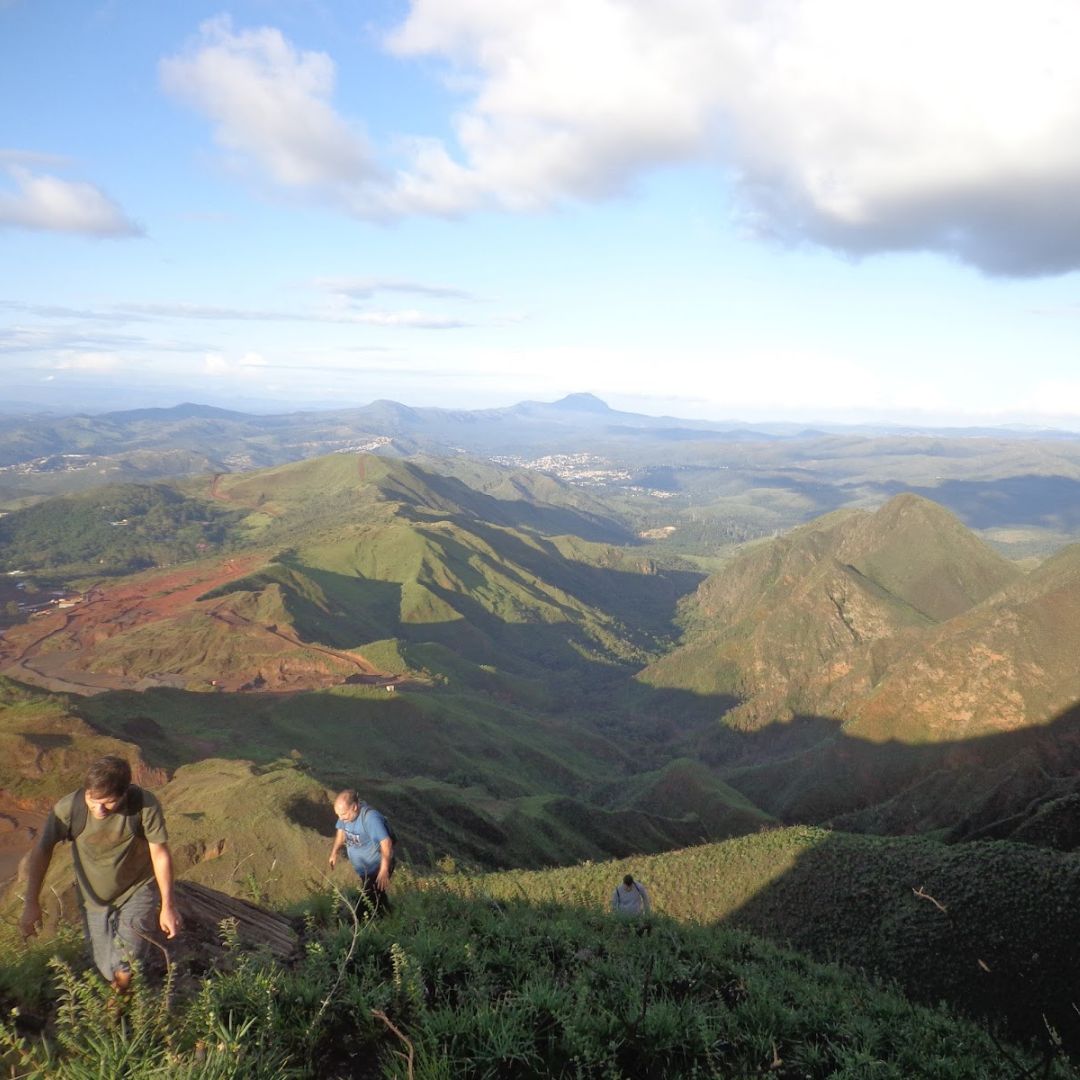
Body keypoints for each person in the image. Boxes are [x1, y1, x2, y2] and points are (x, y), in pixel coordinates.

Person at [19, 755, 180, 990]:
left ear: (124, 793)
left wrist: (168, 905)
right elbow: (42, 850)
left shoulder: (144, 806)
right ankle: (119, 1000)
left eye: (108, 802)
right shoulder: (69, 808)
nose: (99, 809)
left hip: (136, 889)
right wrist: (31, 903)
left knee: (126, 965)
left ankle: (117, 1014)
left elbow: (160, 854)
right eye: (92, 800)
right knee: (106, 968)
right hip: (93, 899)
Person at [328, 789, 394, 913]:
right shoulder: (345, 818)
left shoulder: (370, 818)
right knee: (377, 898)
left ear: (354, 807)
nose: (341, 818)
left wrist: (384, 870)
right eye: (338, 815)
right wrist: (334, 853)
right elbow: (341, 833)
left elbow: (386, 843)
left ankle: (360, 926)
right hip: (365, 870)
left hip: (377, 868)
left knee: (364, 906)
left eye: (343, 814)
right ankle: (389, 916)